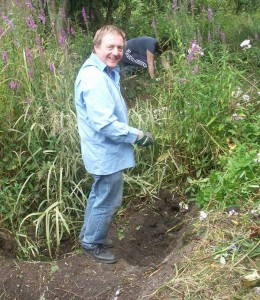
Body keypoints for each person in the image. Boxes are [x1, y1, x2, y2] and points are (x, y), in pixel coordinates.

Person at [74, 25, 153, 264]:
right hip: (104, 153)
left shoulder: (105, 72)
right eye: (110, 47)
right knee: (107, 198)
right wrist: (137, 135)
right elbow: (105, 124)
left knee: (100, 194)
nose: (116, 52)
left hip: (104, 151)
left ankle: (89, 234)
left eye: (120, 47)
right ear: (96, 47)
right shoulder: (94, 78)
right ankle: (92, 243)